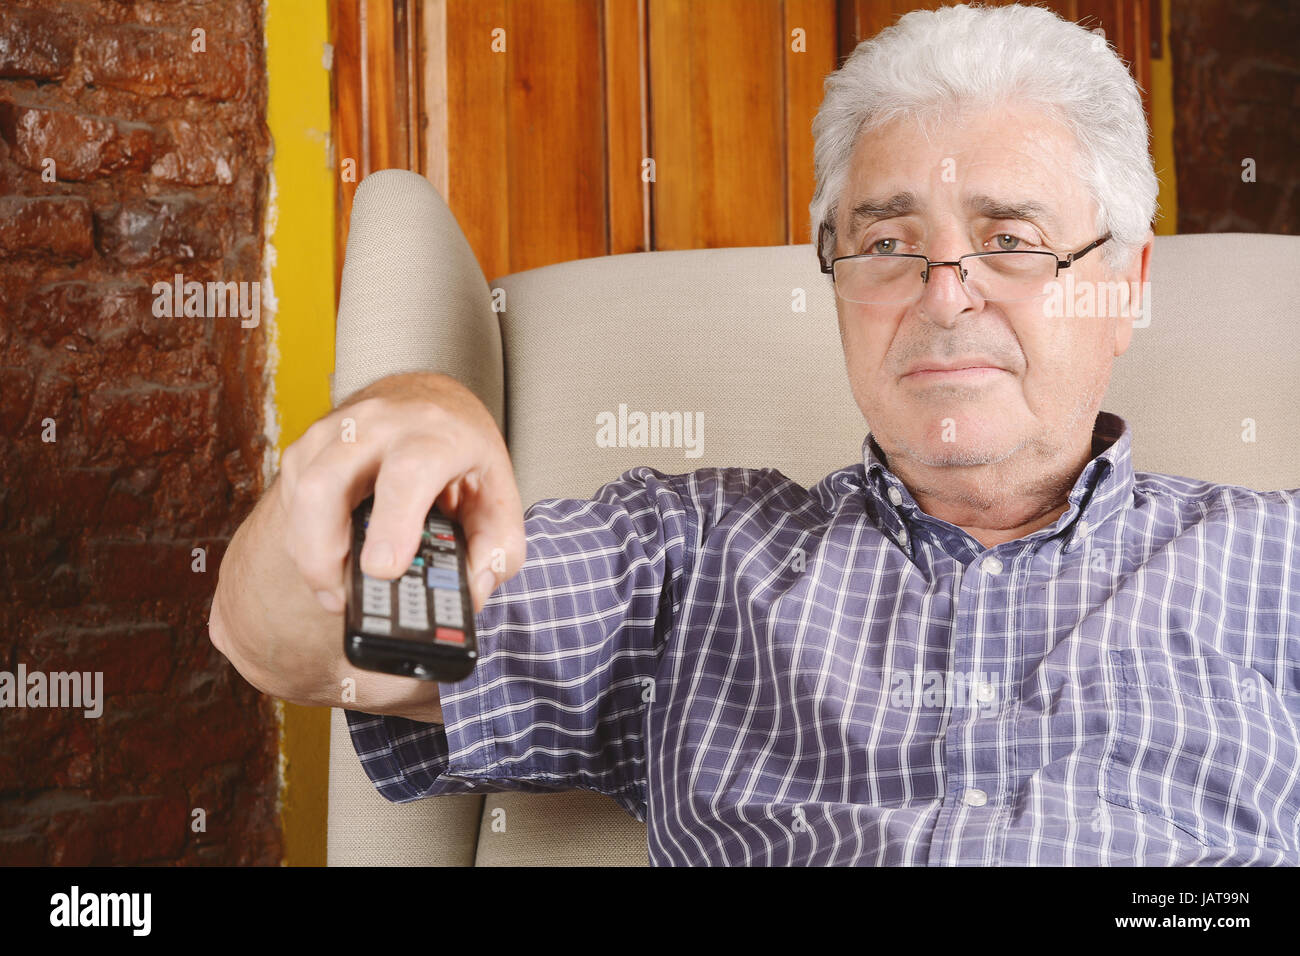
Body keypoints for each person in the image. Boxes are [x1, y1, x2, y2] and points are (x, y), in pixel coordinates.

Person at [209, 3, 1300, 864]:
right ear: (834, 285)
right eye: (885, 241)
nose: (944, 293)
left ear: (1122, 288)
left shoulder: (1271, 562)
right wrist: (411, 410)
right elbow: (287, 636)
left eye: (1010, 238)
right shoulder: (689, 558)